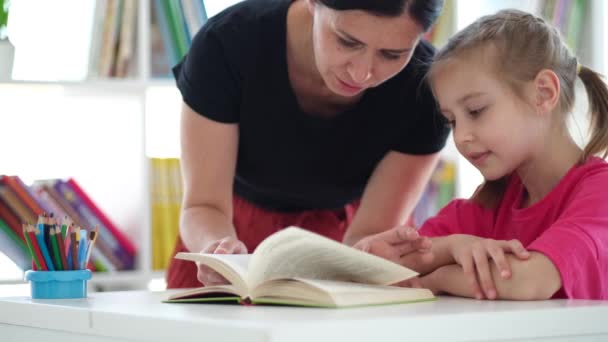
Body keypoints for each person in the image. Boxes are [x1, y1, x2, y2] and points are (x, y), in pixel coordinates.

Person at [166, 0, 450, 288]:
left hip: (356, 234)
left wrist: (362, 261)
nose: (362, 73)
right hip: (229, 229)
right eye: (347, 41)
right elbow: (204, 205)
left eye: (392, 54)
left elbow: (370, 233)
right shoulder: (227, 44)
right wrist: (216, 249)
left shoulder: (426, 87)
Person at [364, 9, 608, 300]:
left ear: (543, 93)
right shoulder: (485, 206)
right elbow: (384, 270)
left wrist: (439, 277)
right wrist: (452, 247)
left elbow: (529, 281)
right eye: (451, 121)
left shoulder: (599, 192)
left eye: (476, 111)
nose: (460, 136)